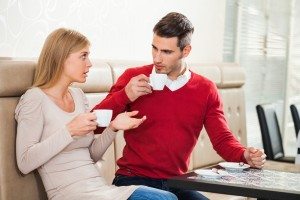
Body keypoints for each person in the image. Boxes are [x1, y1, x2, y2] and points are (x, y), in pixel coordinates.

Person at [93, 12, 267, 200]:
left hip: (177, 183)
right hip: (132, 180)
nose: (157, 58)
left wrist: (244, 154)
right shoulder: (132, 78)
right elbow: (96, 125)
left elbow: (222, 139)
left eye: (166, 52)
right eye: (154, 48)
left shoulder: (206, 89)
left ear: (186, 51)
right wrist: (125, 95)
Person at [15, 28, 178, 200]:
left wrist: (113, 127)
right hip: (71, 195)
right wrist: (69, 130)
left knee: (168, 197)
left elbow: (91, 155)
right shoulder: (35, 98)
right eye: (83, 56)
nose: (90, 63)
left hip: (101, 191)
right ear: (61, 58)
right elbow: (25, 162)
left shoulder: (78, 96)